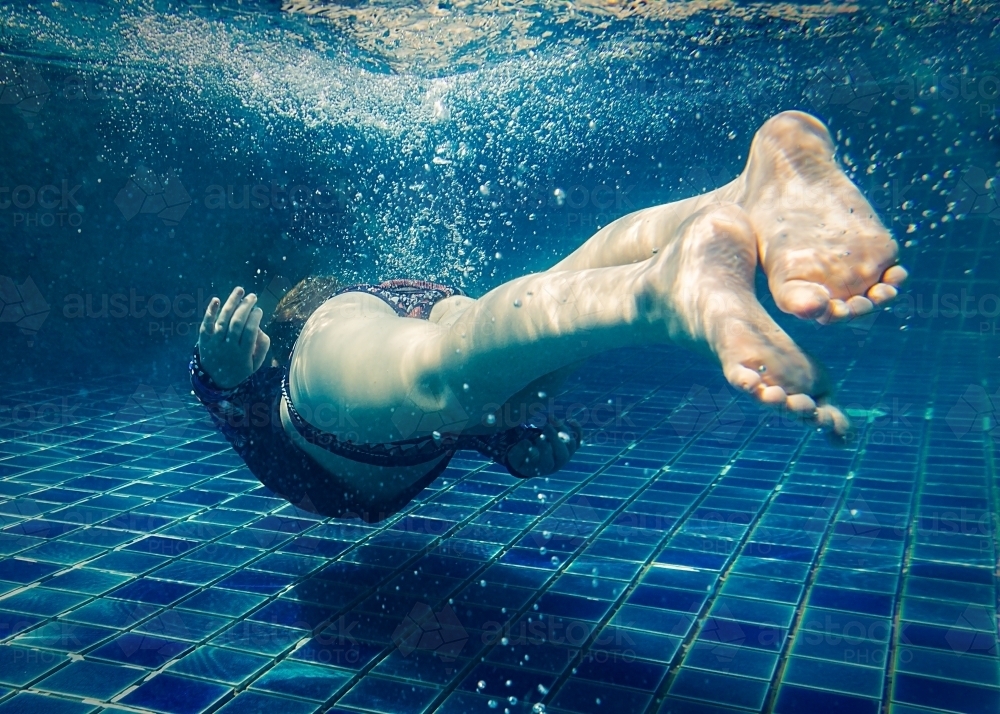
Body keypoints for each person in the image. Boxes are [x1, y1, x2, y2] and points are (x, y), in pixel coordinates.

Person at [190, 111, 906, 523]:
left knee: (440, 374)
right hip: (426, 306)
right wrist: (504, 446)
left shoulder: (304, 378)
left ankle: (662, 292)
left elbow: (264, 444)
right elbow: (449, 432)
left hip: (336, 335)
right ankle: (737, 193)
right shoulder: (372, 373)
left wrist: (223, 384)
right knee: (537, 319)